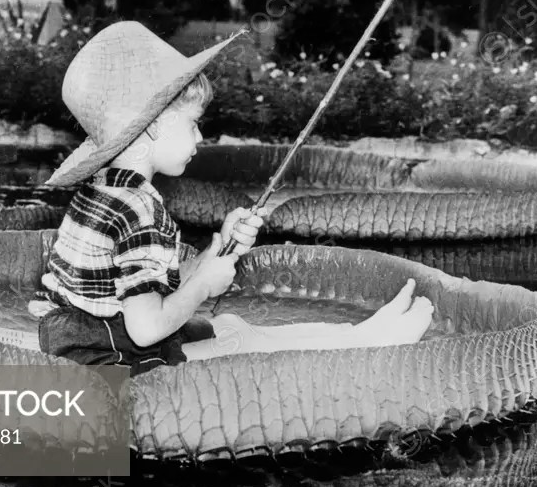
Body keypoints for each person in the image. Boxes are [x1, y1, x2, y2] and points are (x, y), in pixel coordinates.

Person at [36, 21, 434, 372]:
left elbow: (144, 290)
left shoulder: (104, 190)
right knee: (240, 347)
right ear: (154, 126)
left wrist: (216, 254)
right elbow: (146, 330)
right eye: (193, 124)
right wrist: (203, 286)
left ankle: (361, 331)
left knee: (232, 328)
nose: (200, 137)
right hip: (114, 361)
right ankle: (367, 344)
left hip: (86, 343)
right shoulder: (138, 207)